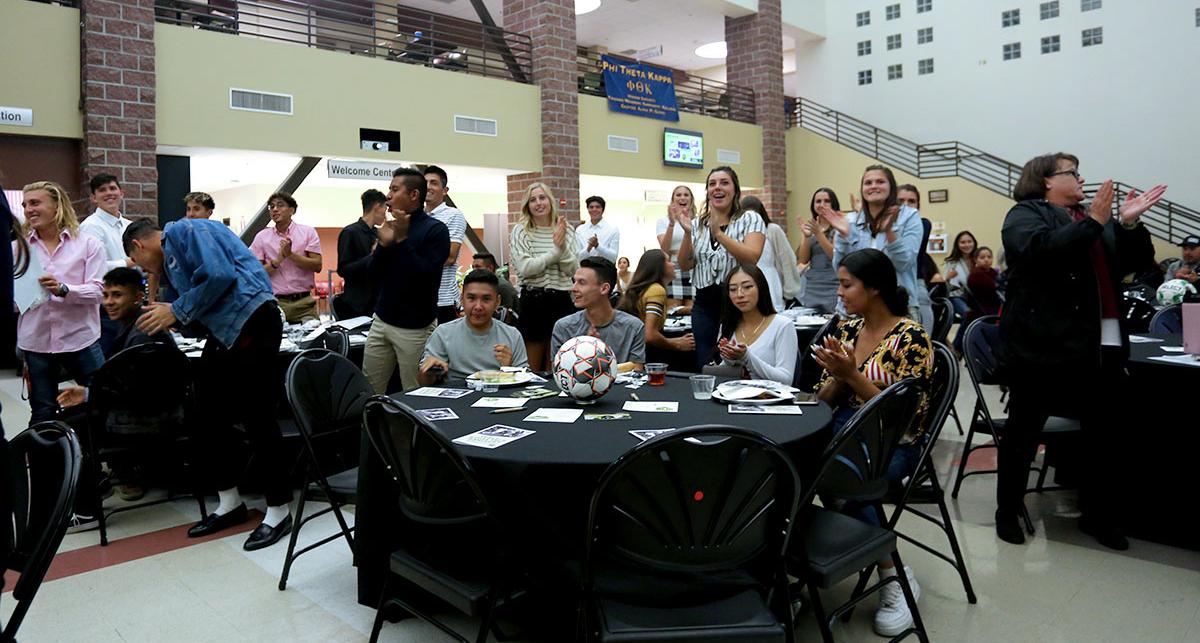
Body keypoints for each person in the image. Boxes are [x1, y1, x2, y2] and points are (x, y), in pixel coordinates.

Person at [997, 152, 1165, 550]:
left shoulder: (1092, 218)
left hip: (1101, 341)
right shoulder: (1024, 215)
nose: (1080, 178)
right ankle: (1007, 511)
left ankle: (1098, 516)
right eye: (1071, 173)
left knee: (1104, 435)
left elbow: (1138, 263)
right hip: (1043, 344)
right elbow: (1044, 251)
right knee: (1024, 433)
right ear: (1046, 181)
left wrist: (1128, 223)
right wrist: (1096, 222)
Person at [124, 217, 295, 550]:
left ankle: (279, 509)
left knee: (257, 415)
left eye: (137, 262)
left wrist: (176, 310)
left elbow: (219, 276)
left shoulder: (187, 230)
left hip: (254, 318)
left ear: (138, 246)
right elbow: (197, 316)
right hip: (227, 331)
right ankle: (229, 503)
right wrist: (171, 317)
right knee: (204, 414)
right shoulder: (171, 270)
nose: (143, 269)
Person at [811, 248, 933, 638]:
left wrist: (852, 374)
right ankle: (781, 567)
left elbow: (903, 415)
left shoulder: (910, 337)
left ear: (875, 288)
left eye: (847, 285)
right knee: (787, 462)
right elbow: (820, 402)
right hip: (842, 430)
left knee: (839, 479)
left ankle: (894, 576)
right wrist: (836, 376)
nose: (840, 293)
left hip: (892, 444)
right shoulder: (847, 330)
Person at [56, 267, 179, 526]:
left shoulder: (141, 335)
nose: (109, 302)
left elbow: (138, 393)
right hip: (157, 412)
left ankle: (87, 507)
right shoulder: (137, 327)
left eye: (118, 295)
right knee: (71, 415)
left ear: (137, 297)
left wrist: (90, 395)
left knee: (70, 427)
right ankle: (94, 485)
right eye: (107, 295)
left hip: (150, 420)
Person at [18, 181, 106, 425]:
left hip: (81, 339)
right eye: (25, 205)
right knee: (42, 413)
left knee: (102, 399)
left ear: (57, 205)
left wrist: (64, 289)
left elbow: (99, 292)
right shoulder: (18, 249)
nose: (28, 210)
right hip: (36, 343)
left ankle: (94, 459)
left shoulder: (88, 244)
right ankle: (45, 463)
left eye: (35, 203)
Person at [363, 168, 450, 393]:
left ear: (414, 195)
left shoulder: (436, 230)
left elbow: (424, 276)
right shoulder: (389, 228)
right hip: (382, 320)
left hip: (415, 327)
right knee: (370, 392)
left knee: (416, 395)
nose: (388, 196)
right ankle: (375, 429)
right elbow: (372, 274)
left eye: (394, 189)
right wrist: (383, 245)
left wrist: (401, 240)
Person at [677, 166, 767, 368]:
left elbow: (752, 257)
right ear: (707, 192)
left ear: (735, 190)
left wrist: (719, 234)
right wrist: (686, 234)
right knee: (706, 362)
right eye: (712, 184)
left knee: (735, 361)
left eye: (724, 183)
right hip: (704, 305)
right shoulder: (697, 223)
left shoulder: (749, 218)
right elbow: (684, 264)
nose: (717, 188)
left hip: (739, 303)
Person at [823, 165, 931, 328]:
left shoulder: (909, 216)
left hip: (896, 307)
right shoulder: (849, 221)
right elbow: (840, 269)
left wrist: (889, 232)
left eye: (880, 181)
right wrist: (846, 237)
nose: (873, 186)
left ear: (891, 187)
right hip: (854, 309)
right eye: (868, 183)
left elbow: (904, 263)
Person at [417, 269, 528, 384]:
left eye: (486, 299)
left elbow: (526, 383)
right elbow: (424, 383)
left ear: (497, 302)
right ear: (462, 299)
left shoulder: (512, 335)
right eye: (471, 298)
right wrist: (429, 372)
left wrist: (509, 369)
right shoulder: (443, 333)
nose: (478, 306)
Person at [510, 182, 577, 372]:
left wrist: (561, 246)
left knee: (559, 363)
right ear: (527, 205)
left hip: (562, 300)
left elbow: (573, 269)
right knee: (533, 369)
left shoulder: (566, 229)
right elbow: (525, 268)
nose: (538, 203)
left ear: (550, 201)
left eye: (542, 197)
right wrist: (558, 251)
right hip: (534, 301)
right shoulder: (521, 230)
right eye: (533, 200)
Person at [551, 256, 646, 368]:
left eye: (582, 282)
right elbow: (558, 375)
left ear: (604, 288)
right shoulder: (564, 328)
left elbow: (637, 375)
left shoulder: (633, 328)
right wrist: (583, 351)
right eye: (574, 281)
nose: (574, 288)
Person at [79, 173, 134, 355]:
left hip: (133, 299)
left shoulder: (129, 225)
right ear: (93, 198)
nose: (109, 193)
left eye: (113, 188)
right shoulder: (91, 227)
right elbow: (94, 269)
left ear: (121, 193)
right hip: (109, 303)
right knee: (111, 356)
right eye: (102, 190)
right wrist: (128, 263)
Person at [715, 263, 797, 385]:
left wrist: (747, 358)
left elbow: (786, 380)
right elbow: (725, 376)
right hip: (734, 396)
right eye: (733, 289)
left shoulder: (783, 325)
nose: (740, 294)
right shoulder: (728, 325)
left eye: (747, 287)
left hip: (769, 399)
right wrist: (729, 359)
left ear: (761, 288)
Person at [250, 192, 322, 323]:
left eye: (280, 205)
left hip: (304, 305)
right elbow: (255, 273)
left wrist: (290, 255)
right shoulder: (261, 237)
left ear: (292, 210)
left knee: (313, 342)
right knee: (273, 343)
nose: (275, 209)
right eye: (271, 207)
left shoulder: (307, 232)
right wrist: (277, 261)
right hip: (275, 304)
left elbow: (317, 265)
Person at [616, 249, 695, 355]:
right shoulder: (656, 290)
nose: (673, 264)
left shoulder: (647, 289)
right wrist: (677, 344)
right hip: (643, 353)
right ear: (659, 267)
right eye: (668, 261)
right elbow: (650, 335)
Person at [425, 165, 468, 324]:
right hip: (418, 300)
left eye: (434, 183)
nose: (428, 187)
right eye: (426, 183)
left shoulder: (453, 215)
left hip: (443, 301)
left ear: (445, 190)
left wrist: (411, 259)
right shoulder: (416, 217)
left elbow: (449, 256)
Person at [336, 189, 386, 320]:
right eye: (384, 210)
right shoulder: (350, 232)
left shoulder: (379, 234)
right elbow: (343, 270)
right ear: (377, 207)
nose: (385, 216)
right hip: (356, 305)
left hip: (378, 303)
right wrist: (372, 256)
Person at [742, 195, 798, 310]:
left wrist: (789, 291)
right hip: (745, 281)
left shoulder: (772, 230)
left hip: (770, 282)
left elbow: (786, 259)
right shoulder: (739, 232)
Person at [797, 188, 840, 313]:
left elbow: (834, 256)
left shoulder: (838, 227)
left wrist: (818, 234)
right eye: (818, 201)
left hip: (833, 283)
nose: (822, 205)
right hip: (813, 284)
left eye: (827, 201)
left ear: (833, 204)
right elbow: (803, 260)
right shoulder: (811, 226)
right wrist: (806, 236)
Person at [656, 185, 696, 312]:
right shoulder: (663, 221)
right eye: (678, 195)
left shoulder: (699, 220)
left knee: (693, 309)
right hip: (672, 267)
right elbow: (664, 248)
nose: (682, 198)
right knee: (673, 310)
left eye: (686, 194)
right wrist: (672, 223)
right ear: (673, 199)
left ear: (691, 199)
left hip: (693, 267)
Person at [943, 231, 978, 317]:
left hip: (975, 297)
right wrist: (948, 277)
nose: (966, 245)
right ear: (957, 245)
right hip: (956, 297)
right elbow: (944, 283)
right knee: (968, 314)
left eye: (969, 242)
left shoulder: (979, 260)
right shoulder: (952, 263)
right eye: (963, 242)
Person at [576, 195, 619, 263]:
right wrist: (588, 248)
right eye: (591, 207)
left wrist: (597, 246)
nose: (594, 209)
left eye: (597, 207)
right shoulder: (580, 230)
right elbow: (576, 258)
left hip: (604, 270)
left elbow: (613, 258)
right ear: (588, 209)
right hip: (584, 270)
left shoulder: (612, 229)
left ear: (602, 210)